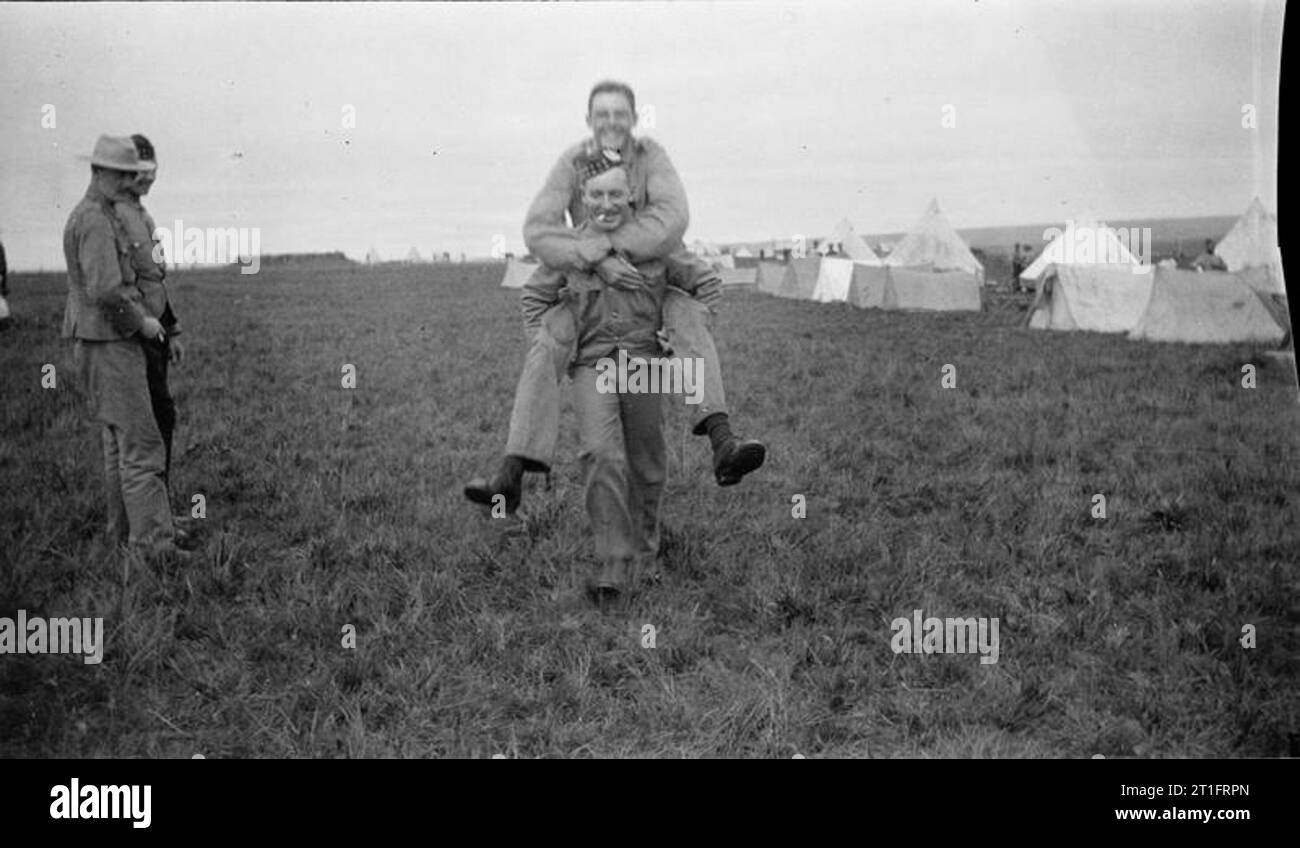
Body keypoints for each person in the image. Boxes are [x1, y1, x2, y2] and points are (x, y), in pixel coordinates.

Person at [465, 80, 765, 514]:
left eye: (619, 113)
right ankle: (510, 477)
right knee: (552, 335)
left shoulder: (652, 159)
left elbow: (673, 220)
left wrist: (675, 340)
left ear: (634, 119)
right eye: (601, 114)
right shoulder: (571, 166)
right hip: (589, 308)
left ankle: (722, 442)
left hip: (647, 300)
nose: (611, 122)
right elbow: (538, 234)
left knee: (684, 314)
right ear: (588, 121)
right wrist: (591, 257)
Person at [527, 153, 718, 601]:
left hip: (644, 363)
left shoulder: (659, 242)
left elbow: (705, 285)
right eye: (596, 195)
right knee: (597, 453)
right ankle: (612, 559)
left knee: (646, 461)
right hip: (593, 364)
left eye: (616, 193)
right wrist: (549, 347)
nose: (606, 203)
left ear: (632, 194)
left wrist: (686, 332)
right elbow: (534, 298)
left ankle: (646, 552)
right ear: (583, 198)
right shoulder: (569, 248)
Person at [62, 135, 189, 561]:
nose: (127, 180)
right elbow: (108, 290)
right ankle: (154, 549)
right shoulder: (97, 219)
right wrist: (146, 323)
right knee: (142, 446)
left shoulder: (97, 214)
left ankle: (125, 538)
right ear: (98, 171)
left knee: (121, 447)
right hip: (110, 342)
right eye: (120, 173)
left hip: (103, 340)